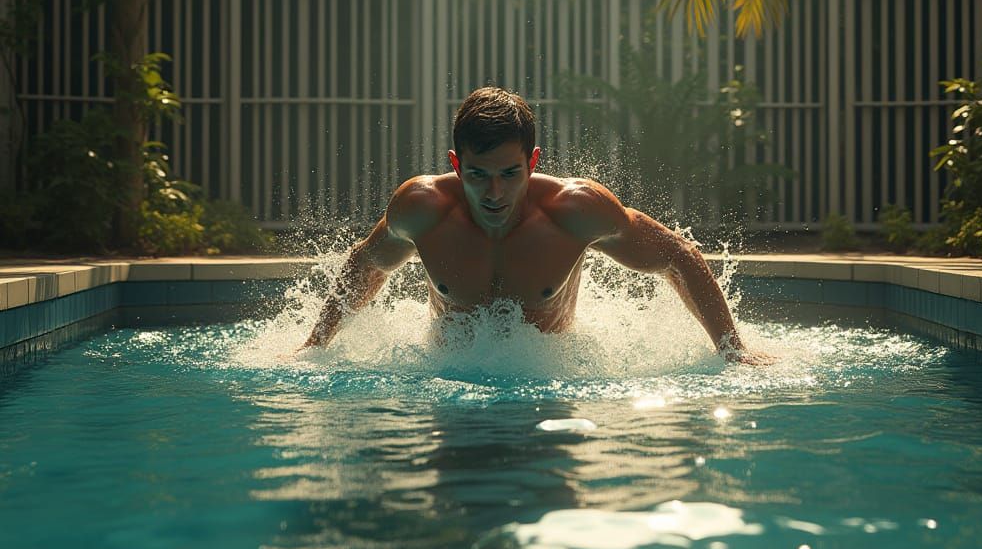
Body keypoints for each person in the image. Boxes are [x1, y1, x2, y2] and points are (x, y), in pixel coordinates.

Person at [300, 87, 770, 364]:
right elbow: (368, 264)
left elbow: (677, 256)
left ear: (534, 161)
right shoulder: (422, 208)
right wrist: (315, 346)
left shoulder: (576, 210)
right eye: (478, 176)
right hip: (447, 383)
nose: (494, 194)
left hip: (549, 389)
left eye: (510, 174)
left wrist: (732, 350)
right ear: (456, 164)